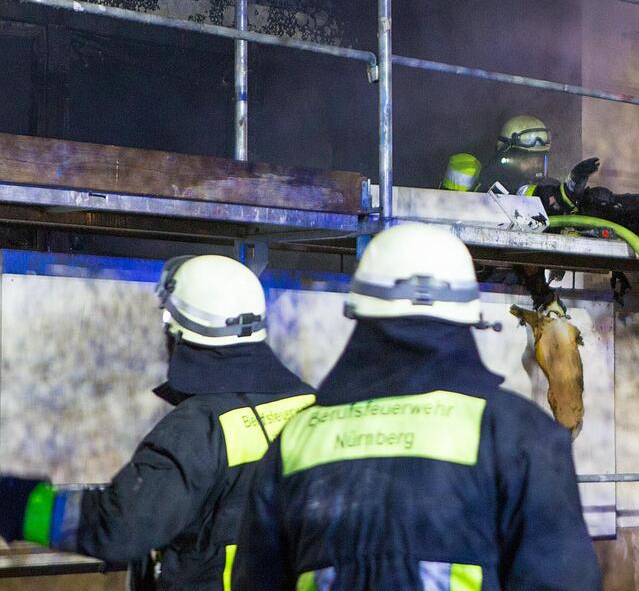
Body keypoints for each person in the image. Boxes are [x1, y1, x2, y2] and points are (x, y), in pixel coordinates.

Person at [233, 223, 601, 591]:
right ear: (469, 314)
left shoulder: (298, 436)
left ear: (359, 310)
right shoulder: (519, 435)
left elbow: (256, 579)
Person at [0, 255, 314, 591]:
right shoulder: (309, 406)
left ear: (176, 333)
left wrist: (18, 502)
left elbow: (119, 527)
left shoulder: (196, 430)